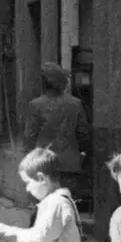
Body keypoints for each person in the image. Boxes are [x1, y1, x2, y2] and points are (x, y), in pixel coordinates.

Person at [24, 63, 91, 193]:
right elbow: (83, 134)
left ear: (44, 83)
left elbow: (29, 137)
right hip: (70, 164)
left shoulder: (36, 105)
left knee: (44, 204)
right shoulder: (76, 104)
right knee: (66, 201)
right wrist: (82, 156)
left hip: (43, 164)